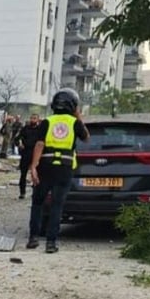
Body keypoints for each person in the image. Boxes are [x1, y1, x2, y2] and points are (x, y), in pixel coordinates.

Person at [27, 89, 89, 254]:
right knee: (57, 205)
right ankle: (51, 243)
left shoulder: (47, 121)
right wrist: (78, 116)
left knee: (38, 203)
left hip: (45, 166)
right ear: (73, 106)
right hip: (65, 168)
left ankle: (33, 238)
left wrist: (33, 167)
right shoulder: (74, 123)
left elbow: (39, 144)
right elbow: (86, 137)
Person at [17, 113, 42, 199]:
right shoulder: (25, 128)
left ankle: (35, 192)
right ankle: (22, 192)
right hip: (26, 152)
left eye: (35, 118)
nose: (33, 120)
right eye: (32, 118)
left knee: (36, 174)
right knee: (23, 174)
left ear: (38, 120)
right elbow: (17, 138)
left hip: (36, 153)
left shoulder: (40, 130)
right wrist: (19, 143)